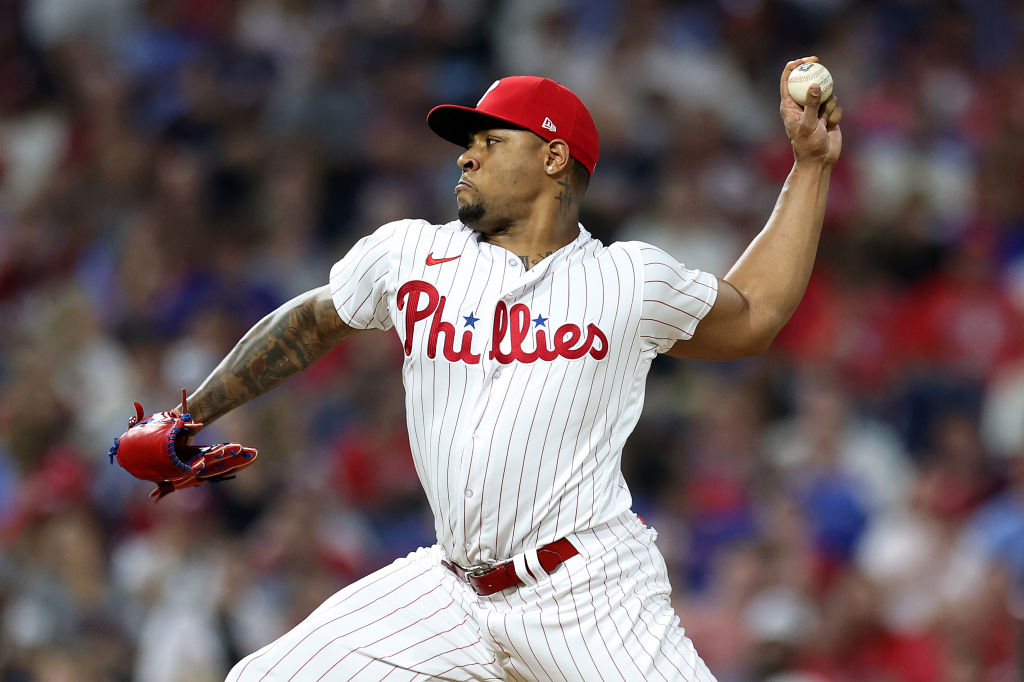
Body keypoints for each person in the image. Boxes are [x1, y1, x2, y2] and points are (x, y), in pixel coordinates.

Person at [175, 57, 842, 680]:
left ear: (553, 157)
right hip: (449, 589)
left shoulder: (626, 281)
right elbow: (312, 319)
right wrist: (190, 414)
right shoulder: (413, 252)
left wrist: (809, 167)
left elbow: (755, 315)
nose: (467, 154)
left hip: (589, 592)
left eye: (492, 141)